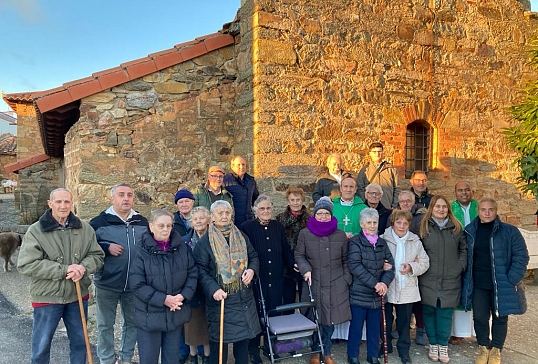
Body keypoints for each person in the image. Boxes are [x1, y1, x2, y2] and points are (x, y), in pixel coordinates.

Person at [17, 188, 104, 364]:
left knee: (80, 342)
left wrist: (82, 268)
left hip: (77, 295)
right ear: (50, 204)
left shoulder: (84, 229)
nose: (63, 206)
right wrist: (64, 270)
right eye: (58, 202)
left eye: (67, 202)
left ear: (72, 203)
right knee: (41, 345)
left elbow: (97, 256)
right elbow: (26, 265)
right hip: (47, 297)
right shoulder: (36, 230)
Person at [462, 198, 529, 364]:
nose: (487, 213)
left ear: (496, 210)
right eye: (483, 209)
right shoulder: (470, 231)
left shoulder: (510, 231)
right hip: (479, 283)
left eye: (490, 209)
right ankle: (483, 348)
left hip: (502, 283)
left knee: (500, 317)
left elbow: (521, 256)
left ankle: (496, 350)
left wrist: (512, 278)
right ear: (478, 211)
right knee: (479, 317)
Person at [193, 200, 261, 364]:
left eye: (227, 213)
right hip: (220, 299)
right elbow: (199, 270)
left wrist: (252, 270)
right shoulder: (205, 242)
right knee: (219, 342)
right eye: (220, 213)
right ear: (212, 217)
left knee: (242, 341)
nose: (224, 216)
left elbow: (253, 257)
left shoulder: (241, 235)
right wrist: (213, 289)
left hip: (243, 297)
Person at [89, 183, 149, 364]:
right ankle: (106, 359)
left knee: (133, 324)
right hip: (107, 282)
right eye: (121, 195)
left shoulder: (142, 222)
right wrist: (106, 247)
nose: (126, 198)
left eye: (129, 195)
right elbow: (87, 248)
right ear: (112, 198)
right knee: (105, 324)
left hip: (134, 284)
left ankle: (125, 358)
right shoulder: (98, 223)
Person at [130, 209, 198, 364]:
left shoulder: (181, 248)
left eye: (169, 225)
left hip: (175, 313)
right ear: (151, 226)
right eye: (161, 226)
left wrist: (182, 296)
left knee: (172, 359)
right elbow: (137, 284)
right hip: (150, 316)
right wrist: (163, 299)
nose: (165, 229)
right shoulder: (140, 251)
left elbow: (192, 274)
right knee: (148, 359)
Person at [295, 196, 351, 364]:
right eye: (319, 213)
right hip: (314, 283)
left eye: (326, 213)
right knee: (314, 318)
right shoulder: (305, 233)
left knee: (329, 320)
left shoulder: (340, 235)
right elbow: (299, 255)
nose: (323, 216)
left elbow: (346, 260)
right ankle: (315, 352)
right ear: (314, 214)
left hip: (336, 283)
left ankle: (326, 352)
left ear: (331, 215)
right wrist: (305, 269)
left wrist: (346, 279)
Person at [240, 195, 295, 363]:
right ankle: (254, 350)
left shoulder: (277, 226)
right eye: (262, 208)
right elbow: (245, 253)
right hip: (258, 279)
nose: (265, 211)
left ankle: (272, 347)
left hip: (276, 277)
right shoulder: (246, 227)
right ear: (255, 210)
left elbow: (285, 249)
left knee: (274, 313)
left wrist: (293, 263)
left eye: (268, 208)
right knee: (257, 314)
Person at [418, 195, 467, 363]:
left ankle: (443, 345)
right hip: (428, 277)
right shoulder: (423, 227)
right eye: (437, 206)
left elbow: (464, 250)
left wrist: (459, 266)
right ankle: (433, 344)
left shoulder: (456, 228)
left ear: (448, 209)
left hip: (450, 278)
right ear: (432, 208)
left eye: (444, 207)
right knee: (429, 312)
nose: (441, 209)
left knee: (445, 313)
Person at [346, 208, 395, 364]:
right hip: (359, 294)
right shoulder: (355, 242)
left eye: (375, 222)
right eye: (369, 222)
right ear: (362, 224)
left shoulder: (382, 243)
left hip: (377, 295)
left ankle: (372, 355)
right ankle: (353, 355)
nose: (372, 225)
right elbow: (355, 266)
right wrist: (376, 283)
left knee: (374, 328)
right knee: (356, 327)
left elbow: (390, 266)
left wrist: (384, 283)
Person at [380, 210, 429, 364]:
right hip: (388, 285)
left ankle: (404, 349)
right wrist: (381, 265)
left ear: (409, 225)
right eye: (398, 222)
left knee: (404, 321)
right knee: (386, 319)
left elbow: (425, 262)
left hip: (407, 286)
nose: (402, 226)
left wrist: (412, 266)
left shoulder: (415, 241)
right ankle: (386, 346)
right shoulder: (383, 239)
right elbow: (374, 259)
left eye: (405, 223)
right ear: (393, 223)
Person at [449, 181, 478, 345]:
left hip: (478, 255)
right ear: (455, 192)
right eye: (460, 190)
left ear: (471, 191)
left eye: (467, 189)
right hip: (458, 254)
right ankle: (458, 332)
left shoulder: (480, 207)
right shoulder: (450, 208)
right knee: (460, 290)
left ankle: (477, 330)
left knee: (477, 292)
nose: (464, 193)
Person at [397, 190, 427, 345]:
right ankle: (404, 326)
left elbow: (425, 237)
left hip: (416, 260)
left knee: (418, 299)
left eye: (408, 200)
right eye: (402, 201)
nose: (405, 203)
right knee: (402, 298)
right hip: (401, 262)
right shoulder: (395, 216)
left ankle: (420, 329)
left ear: (414, 202)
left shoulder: (422, 217)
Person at [183, 207, 212, 364]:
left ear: (208, 220)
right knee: (192, 326)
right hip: (192, 289)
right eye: (195, 219)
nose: (199, 221)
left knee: (208, 325)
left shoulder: (215, 239)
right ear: (191, 222)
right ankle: (193, 356)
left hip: (210, 289)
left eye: (202, 218)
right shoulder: (184, 241)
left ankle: (207, 357)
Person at [172, 189, 197, 362]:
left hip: (199, 269)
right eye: (181, 202)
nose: (184, 204)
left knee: (198, 312)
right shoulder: (172, 222)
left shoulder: (201, 217)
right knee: (180, 311)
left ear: (193, 202)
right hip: (179, 271)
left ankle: (200, 347)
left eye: (187, 201)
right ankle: (182, 350)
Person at [275, 187, 311, 308]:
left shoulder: (310, 219)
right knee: (288, 299)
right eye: (292, 200)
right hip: (286, 264)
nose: (295, 203)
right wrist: (289, 261)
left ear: (302, 200)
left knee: (305, 298)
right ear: (288, 201)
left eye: (298, 199)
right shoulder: (280, 219)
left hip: (305, 262)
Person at [356, 142, 400, 208]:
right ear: (370, 153)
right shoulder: (364, 170)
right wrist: (365, 204)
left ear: (383, 152)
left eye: (379, 151)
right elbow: (360, 189)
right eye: (374, 152)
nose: (377, 154)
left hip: (387, 207)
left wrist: (394, 206)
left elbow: (397, 189)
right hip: (369, 208)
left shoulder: (391, 170)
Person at [223, 155, 260, 226]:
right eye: (238, 165)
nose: (241, 167)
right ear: (232, 166)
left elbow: (256, 200)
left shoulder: (251, 181)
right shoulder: (225, 181)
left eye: (243, 164)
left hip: (249, 221)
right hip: (233, 222)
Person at [332, 173, 367, 239]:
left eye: (351, 187)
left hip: (357, 245)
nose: (348, 190)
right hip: (335, 245)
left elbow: (370, 230)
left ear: (355, 189)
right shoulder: (331, 207)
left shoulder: (364, 209)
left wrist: (355, 235)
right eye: (345, 186)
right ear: (341, 188)